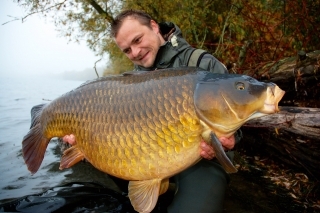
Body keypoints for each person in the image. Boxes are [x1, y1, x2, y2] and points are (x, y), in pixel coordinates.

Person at [63, 9, 240, 213]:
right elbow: (117, 127)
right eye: (127, 50)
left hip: (201, 159)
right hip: (150, 156)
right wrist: (84, 138)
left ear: (154, 27)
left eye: (137, 40)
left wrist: (231, 140)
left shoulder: (201, 63)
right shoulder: (128, 84)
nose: (135, 52)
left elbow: (237, 117)